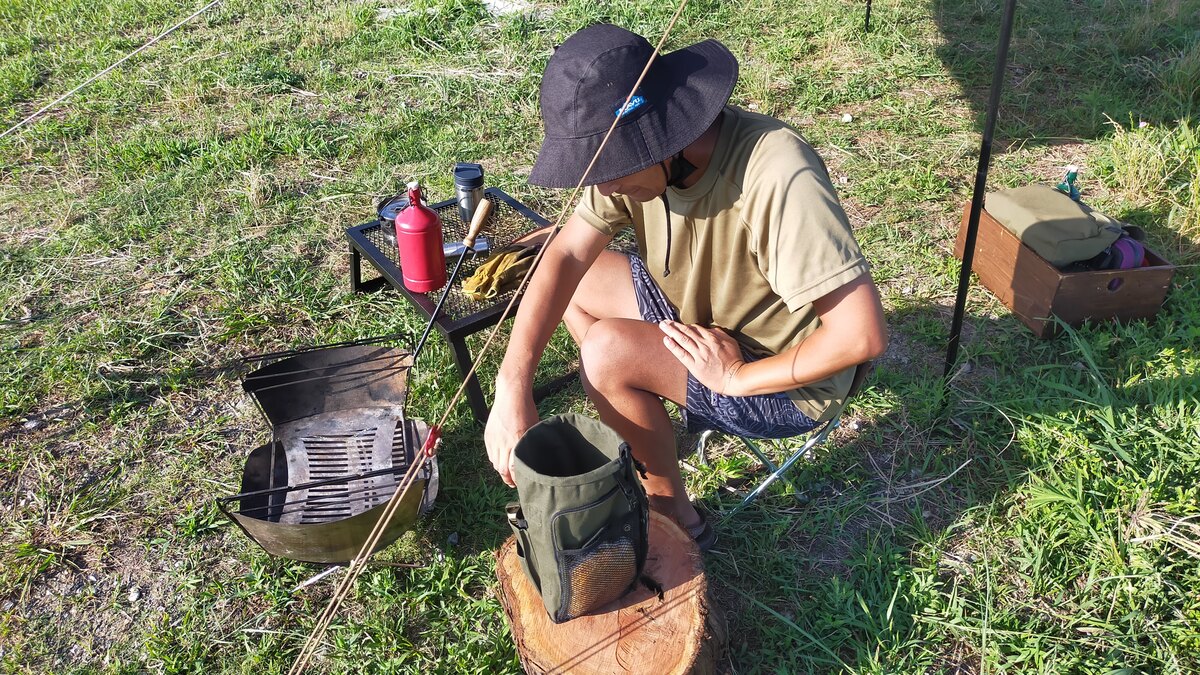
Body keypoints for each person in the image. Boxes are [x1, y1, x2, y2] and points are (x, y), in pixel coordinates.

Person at [484, 24, 888, 550]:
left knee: (605, 352)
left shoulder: (776, 175)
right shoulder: (641, 164)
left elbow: (861, 336)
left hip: (782, 379)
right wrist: (511, 384)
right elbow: (563, 254)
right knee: (577, 288)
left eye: (610, 169)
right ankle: (639, 403)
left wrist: (737, 377)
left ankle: (675, 513)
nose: (602, 187)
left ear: (662, 137)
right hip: (695, 319)